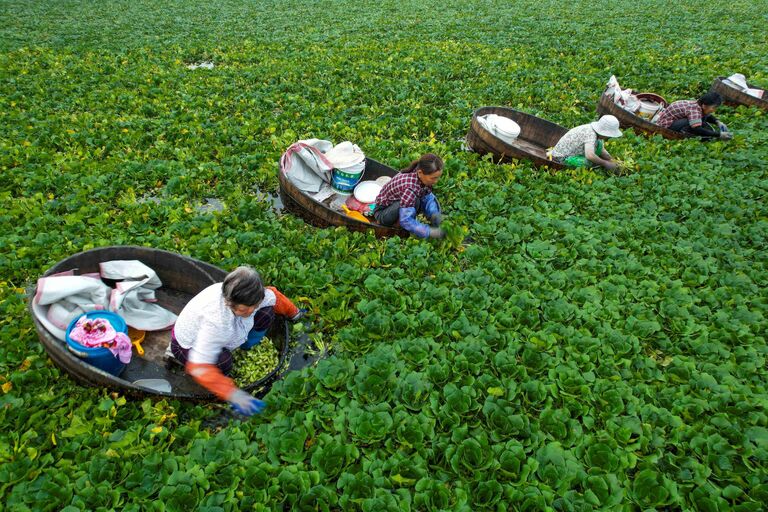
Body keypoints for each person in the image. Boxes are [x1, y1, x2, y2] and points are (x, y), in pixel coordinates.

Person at [170, 266, 304, 416]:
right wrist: (232, 393)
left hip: (228, 332)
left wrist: (294, 314)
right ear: (229, 303)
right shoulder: (217, 322)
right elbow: (199, 366)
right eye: (245, 310)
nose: (252, 311)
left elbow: (275, 297)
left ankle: (247, 344)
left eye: (255, 306)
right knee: (224, 361)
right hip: (187, 345)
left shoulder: (254, 297)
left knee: (266, 312)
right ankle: (218, 381)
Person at [373, 153, 445, 239]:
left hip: (399, 203)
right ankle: (396, 226)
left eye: (437, 177)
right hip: (383, 213)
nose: (436, 181)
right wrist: (429, 231)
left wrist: (434, 215)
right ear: (420, 173)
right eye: (433, 178)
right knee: (414, 201)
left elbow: (427, 197)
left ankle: (413, 217)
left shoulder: (422, 176)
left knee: (418, 199)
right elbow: (405, 220)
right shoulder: (410, 188)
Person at [549, 115, 623, 172]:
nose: (608, 137)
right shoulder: (590, 133)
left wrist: (612, 160)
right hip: (561, 157)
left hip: (574, 152)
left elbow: (602, 151)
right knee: (588, 162)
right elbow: (590, 156)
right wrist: (605, 163)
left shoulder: (596, 133)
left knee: (599, 145)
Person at [653, 92, 731, 140]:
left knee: (702, 118)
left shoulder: (698, 105)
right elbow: (697, 128)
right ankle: (684, 132)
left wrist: (718, 122)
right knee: (693, 124)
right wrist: (719, 134)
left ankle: (689, 129)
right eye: (713, 107)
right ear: (704, 105)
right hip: (666, 124)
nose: (714, 110)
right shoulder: (694, 110)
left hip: (673, 119)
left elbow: (708, 116)